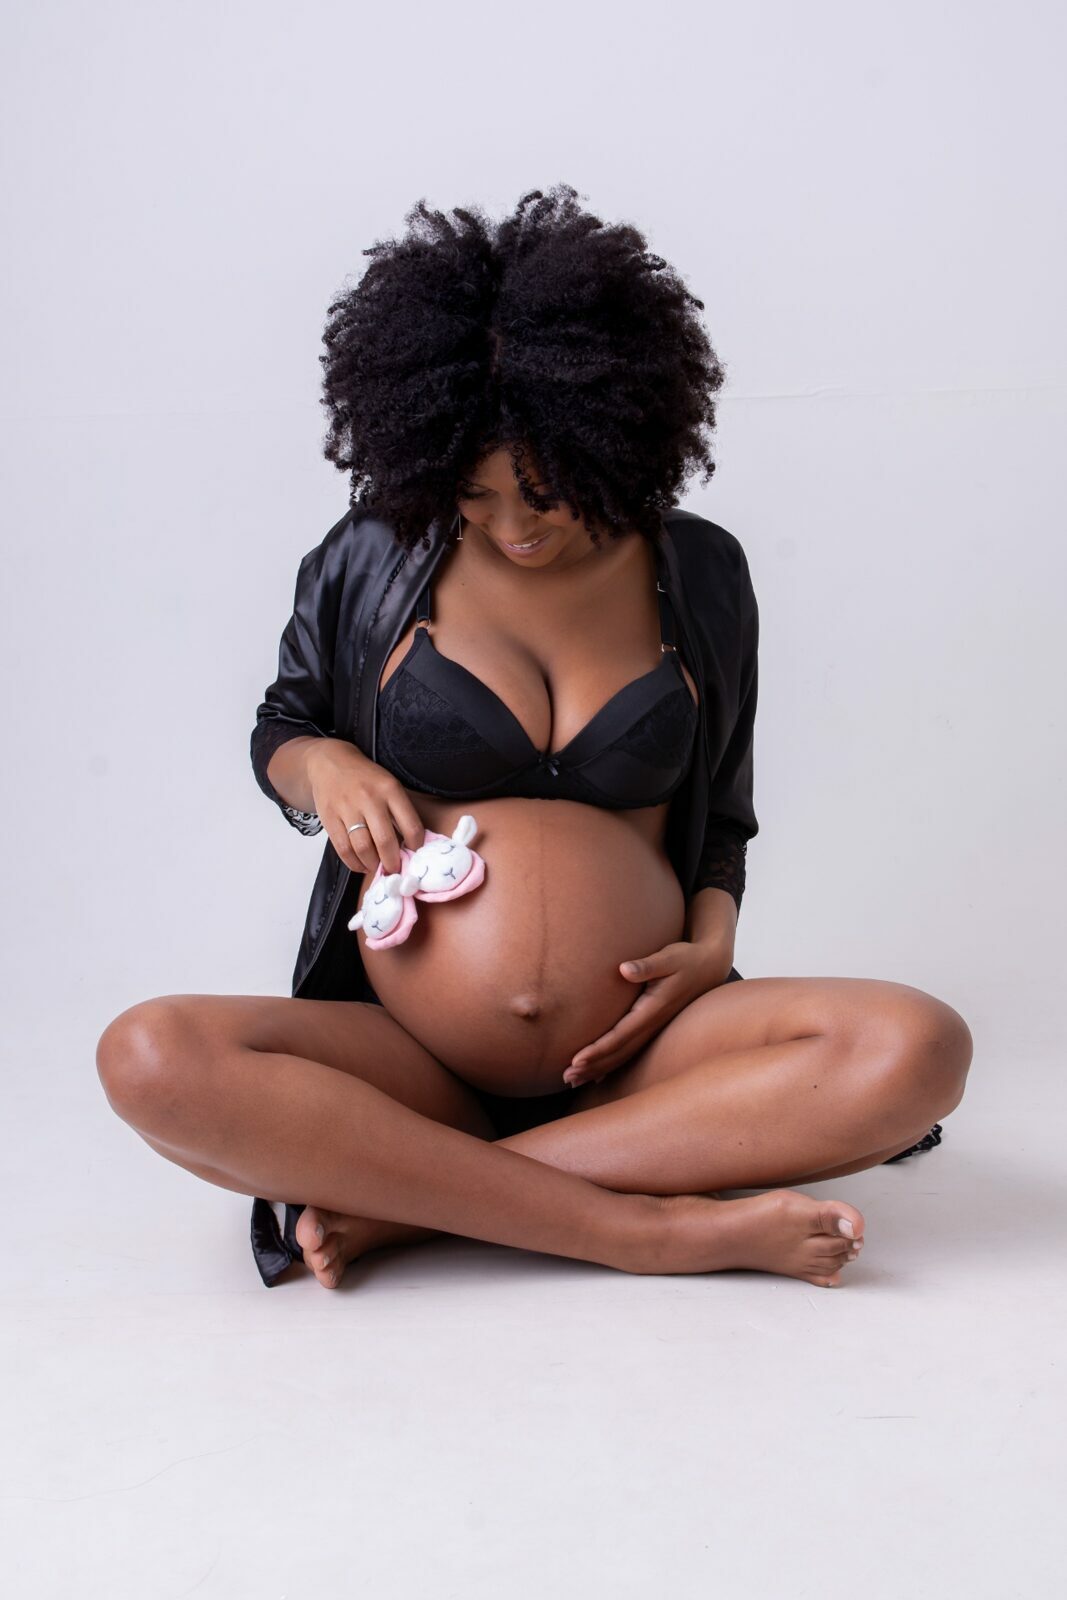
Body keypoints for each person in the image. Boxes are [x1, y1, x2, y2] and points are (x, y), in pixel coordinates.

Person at [95, 185, 971, 1293]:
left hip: (643, 1057)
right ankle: (644, 1229)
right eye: (473, 494)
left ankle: (421, 1199)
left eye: (547, 494)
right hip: (413, 1057)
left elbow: (723, 811)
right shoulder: (373, 555)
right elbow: (286, 723)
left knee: (918, 1046)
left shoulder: (700, 571)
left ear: (614, 438)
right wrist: (325, 765)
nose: (511, 527)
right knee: (149, 1054)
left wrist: (710, 942)